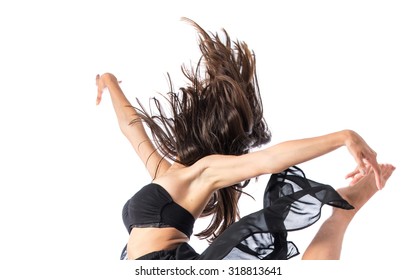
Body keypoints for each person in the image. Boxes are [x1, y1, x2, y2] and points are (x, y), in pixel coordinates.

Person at [95, 18, 395, 260]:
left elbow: (267, 161)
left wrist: (344, 137)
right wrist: (109, 80)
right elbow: (132, 128)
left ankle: (342, 215)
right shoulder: (164, 172)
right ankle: (343, 216)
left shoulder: (203, 171)